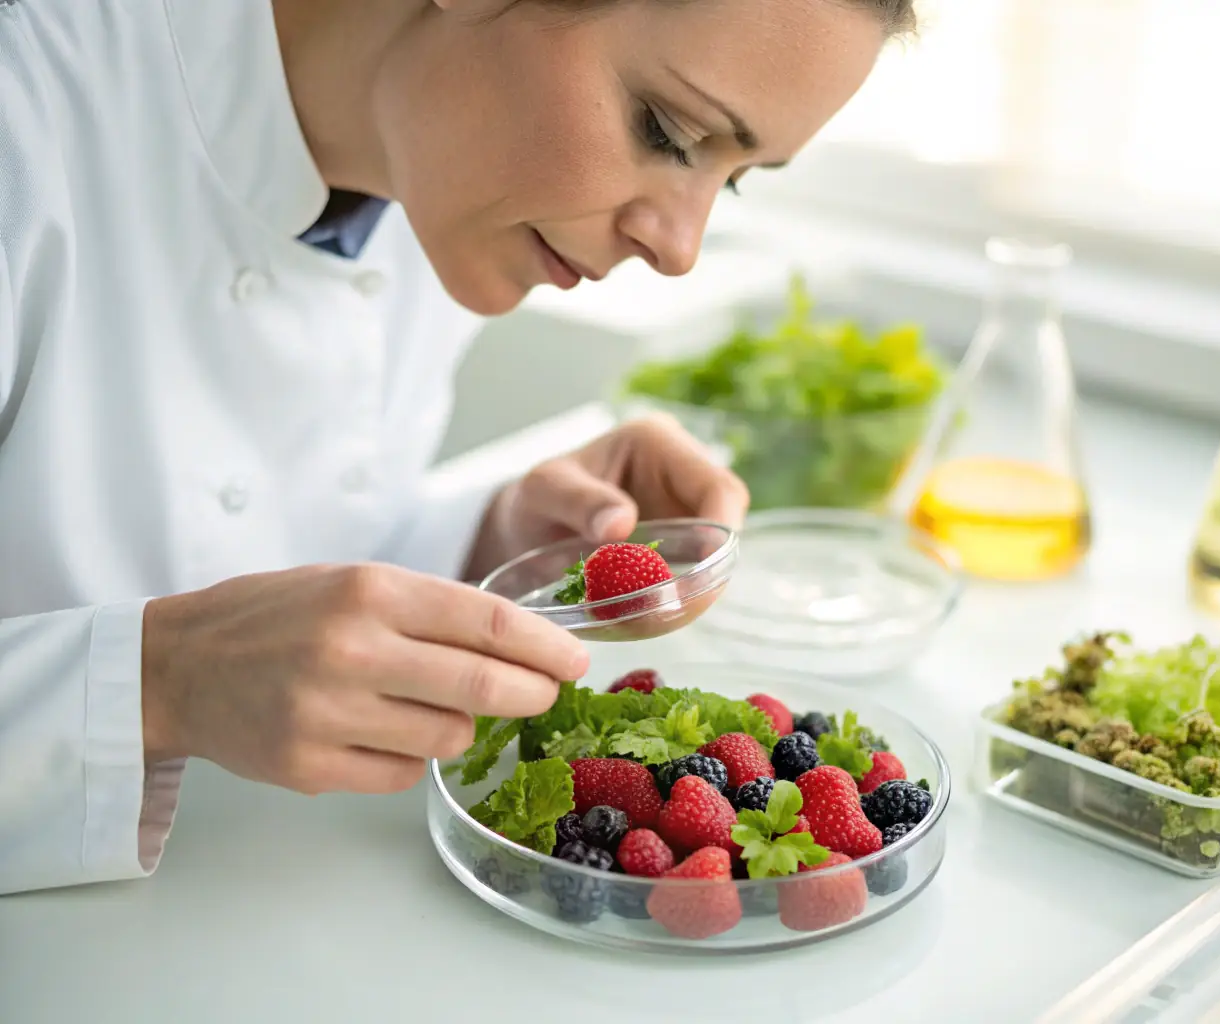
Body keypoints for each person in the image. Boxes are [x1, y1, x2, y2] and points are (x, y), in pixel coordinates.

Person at [0, 0, 913, 895]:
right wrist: (161, 684)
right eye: (668, 132)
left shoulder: (434, 160)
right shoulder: (24, 111)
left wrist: (497, 541)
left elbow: (284, 560)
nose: (680, 249)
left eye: (737, 178)